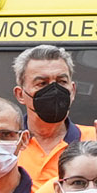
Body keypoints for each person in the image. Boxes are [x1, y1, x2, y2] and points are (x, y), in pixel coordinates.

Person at [8, 46, 88, 184]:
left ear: (73, 90)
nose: (54, 90)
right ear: (20, 94)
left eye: (62, 82)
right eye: (42, 83)